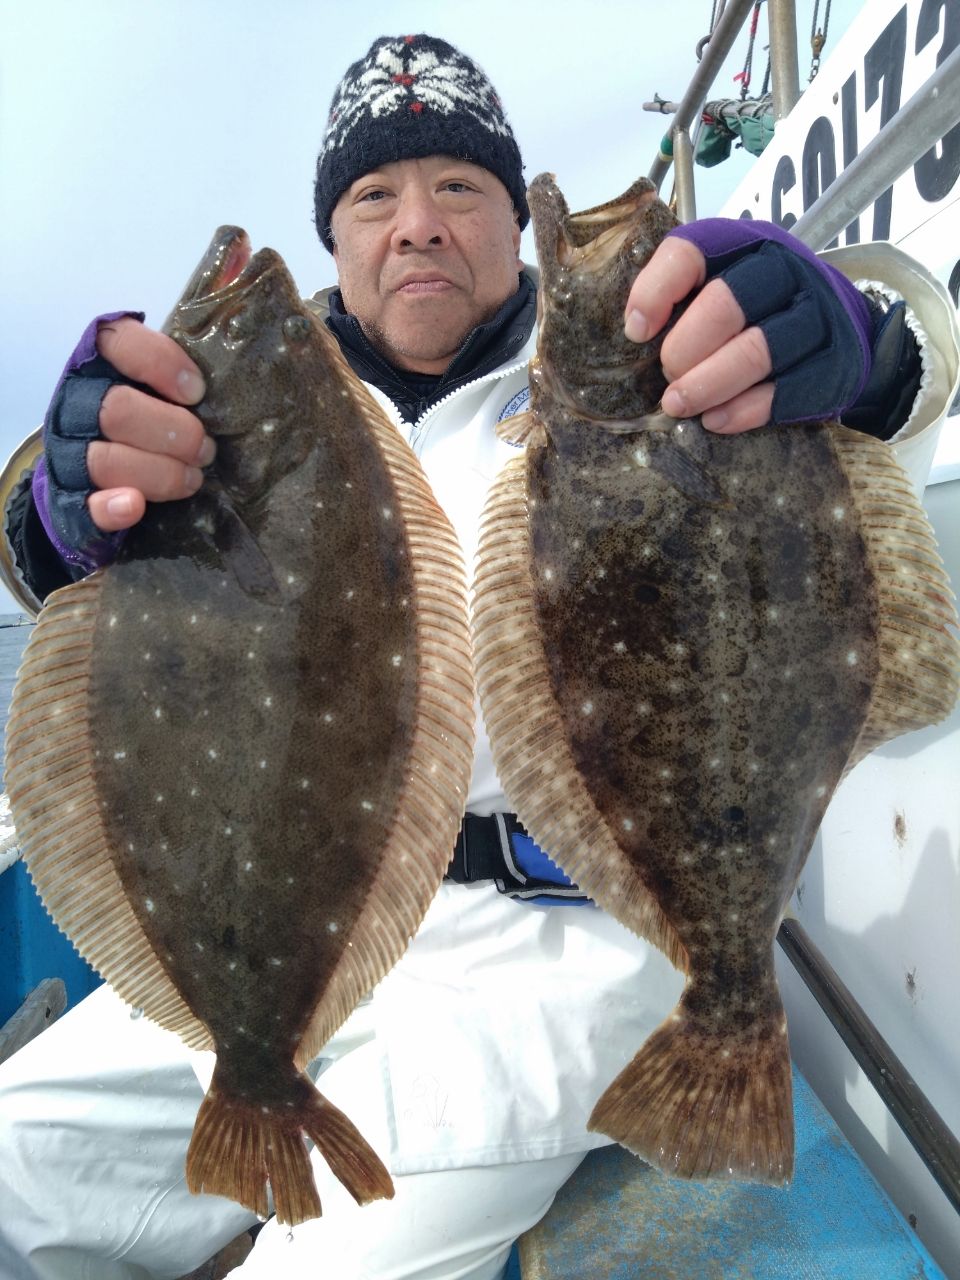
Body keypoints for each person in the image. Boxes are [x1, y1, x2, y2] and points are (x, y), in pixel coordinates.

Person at [0, 32, 955, 1280]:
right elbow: (78, 590)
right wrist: (58, 508)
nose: (418, 224)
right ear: (333, 238)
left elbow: (896, 403)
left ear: (512, 217)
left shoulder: (668, 359)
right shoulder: (227, 416)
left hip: (539, 966)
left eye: (458, 185)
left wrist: (863, 345)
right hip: (269, 932)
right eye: (373, 195)